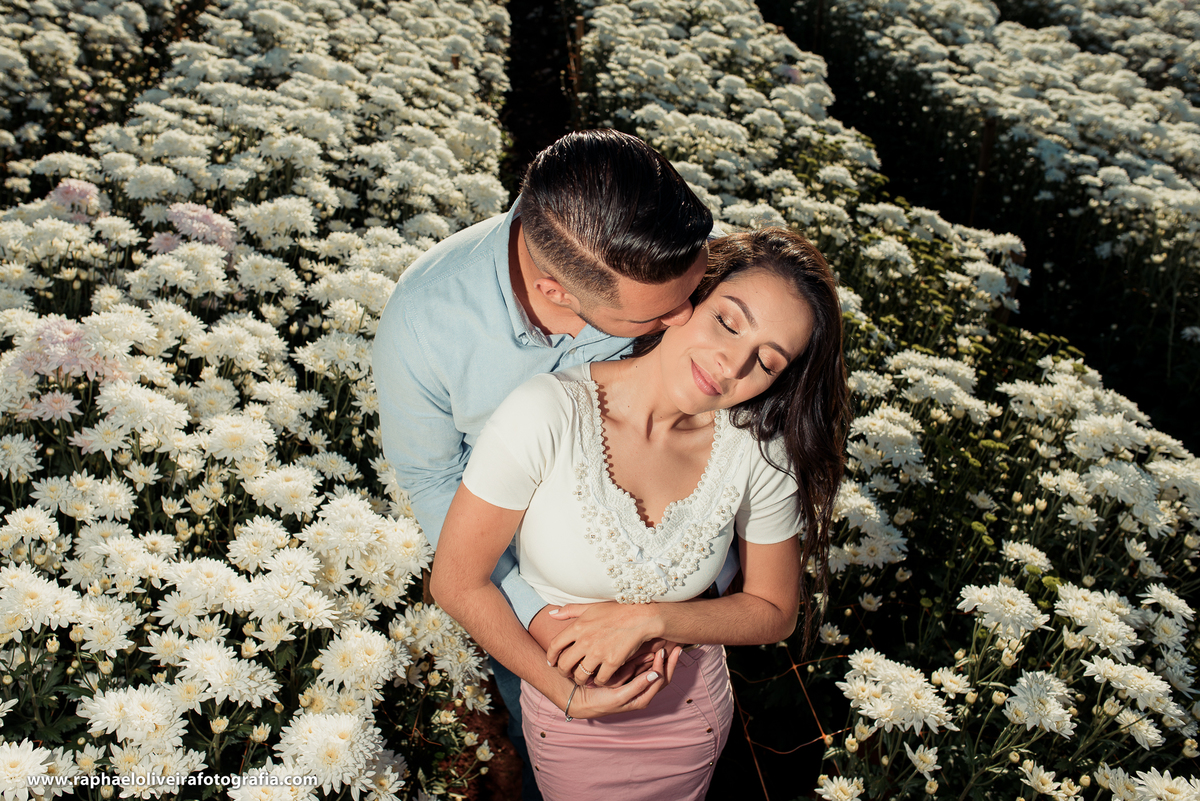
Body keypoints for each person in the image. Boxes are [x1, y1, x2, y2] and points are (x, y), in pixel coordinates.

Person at [430, 227, 850, 800]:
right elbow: (456, 581)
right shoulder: (545, 414)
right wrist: (565, 692)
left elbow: (774, 611)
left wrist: (653, 618)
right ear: (688, 299)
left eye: (768, 362)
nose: (732, 364)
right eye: (728, 322)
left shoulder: (760, 451)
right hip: (572, 721)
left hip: (693, 722)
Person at [371, 128, 724, 800]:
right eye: (656, 315)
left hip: (674, 578)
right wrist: (540, 624)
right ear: (555, 293)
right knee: (555, 759)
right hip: (522, 582)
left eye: (695, 290)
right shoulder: (423, 323)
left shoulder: (656, 258)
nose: (687, 319)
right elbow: (433, 482)